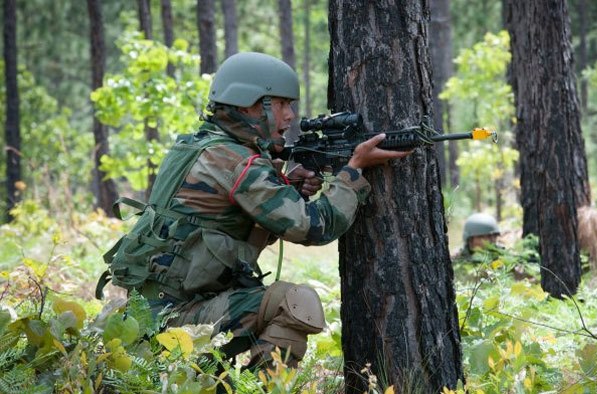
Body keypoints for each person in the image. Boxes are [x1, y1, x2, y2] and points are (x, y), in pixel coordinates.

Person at [96, 52, 411, 370]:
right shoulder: (237, 162)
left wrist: (284, 184)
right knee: (297, 303)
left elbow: (219, 221)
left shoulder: (198, 145)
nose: (290, 116)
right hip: (175, 319)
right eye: (281, 104)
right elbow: (313, 227)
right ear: (248, 103)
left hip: (148, 315)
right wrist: (352, 174)